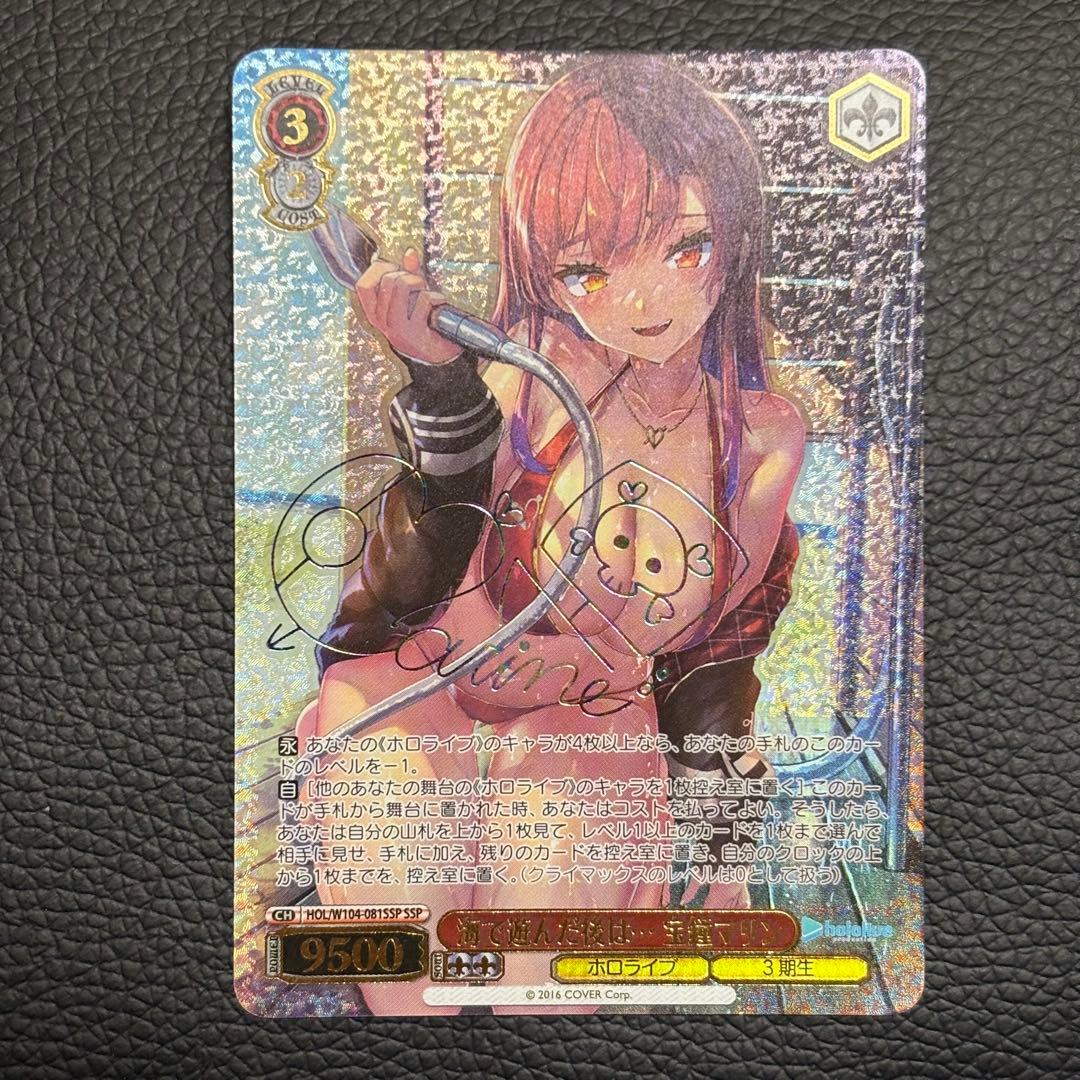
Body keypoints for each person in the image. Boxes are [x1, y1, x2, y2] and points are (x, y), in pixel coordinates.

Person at [296, 55, 805, 1015]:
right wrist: (439, 379)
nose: (642, 301)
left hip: (597, 710)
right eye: (587, 269)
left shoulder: (763, 433)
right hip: (441, 676)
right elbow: (438, 565)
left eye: (685, 246)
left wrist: (592, 674)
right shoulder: (527, 376)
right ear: (544, 271)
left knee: (564, 821)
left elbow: (712, 634)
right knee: (386, 767)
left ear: (734, 230)